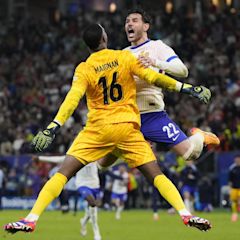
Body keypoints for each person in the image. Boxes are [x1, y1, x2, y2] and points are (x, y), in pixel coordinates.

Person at [4, 23, 212, 234]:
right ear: (104, 39)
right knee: (156, 175)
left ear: (87, 45)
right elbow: (154, 77)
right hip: (127, 128)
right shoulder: (124, 57)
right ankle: (185, 214)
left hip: (97, 131)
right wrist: (187, 88)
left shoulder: (84, 68)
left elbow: (72, 99)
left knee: (62, 174)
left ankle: (31, 218)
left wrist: (52, 127)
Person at [34, 155, 102, 240]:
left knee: (93, 208)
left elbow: (103, 165)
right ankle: (97, 233)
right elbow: (58, 159)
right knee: (92, 203)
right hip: (82, 184)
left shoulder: (95, 154)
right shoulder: (77, 155)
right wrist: (40, 158)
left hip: (95, 185)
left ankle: (83, 222)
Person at [228, 154, 240, 222]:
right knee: (234, 202)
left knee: (239, 200)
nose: (238, 160)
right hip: (234, 188)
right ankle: (234, 214)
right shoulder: (232, 168)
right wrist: (230, 189)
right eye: (237, 159)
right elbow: (230, 180)